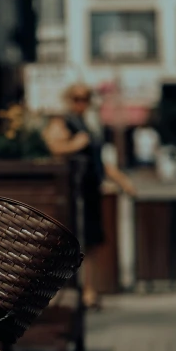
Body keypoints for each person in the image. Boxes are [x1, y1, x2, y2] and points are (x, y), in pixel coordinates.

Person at [43, 83, 136, 309]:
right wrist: (75, 144)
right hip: (74, 192)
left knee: (91, 244)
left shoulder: (88, 124)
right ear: (69, 99)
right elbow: (53, 145)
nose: (81, 102)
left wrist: (122, 181)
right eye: (76, 98)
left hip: (90, 190)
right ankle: (77, 292)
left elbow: (100, 163)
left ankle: (89, 291)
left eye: (85, 98)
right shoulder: (63, 122)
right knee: (75, 242)